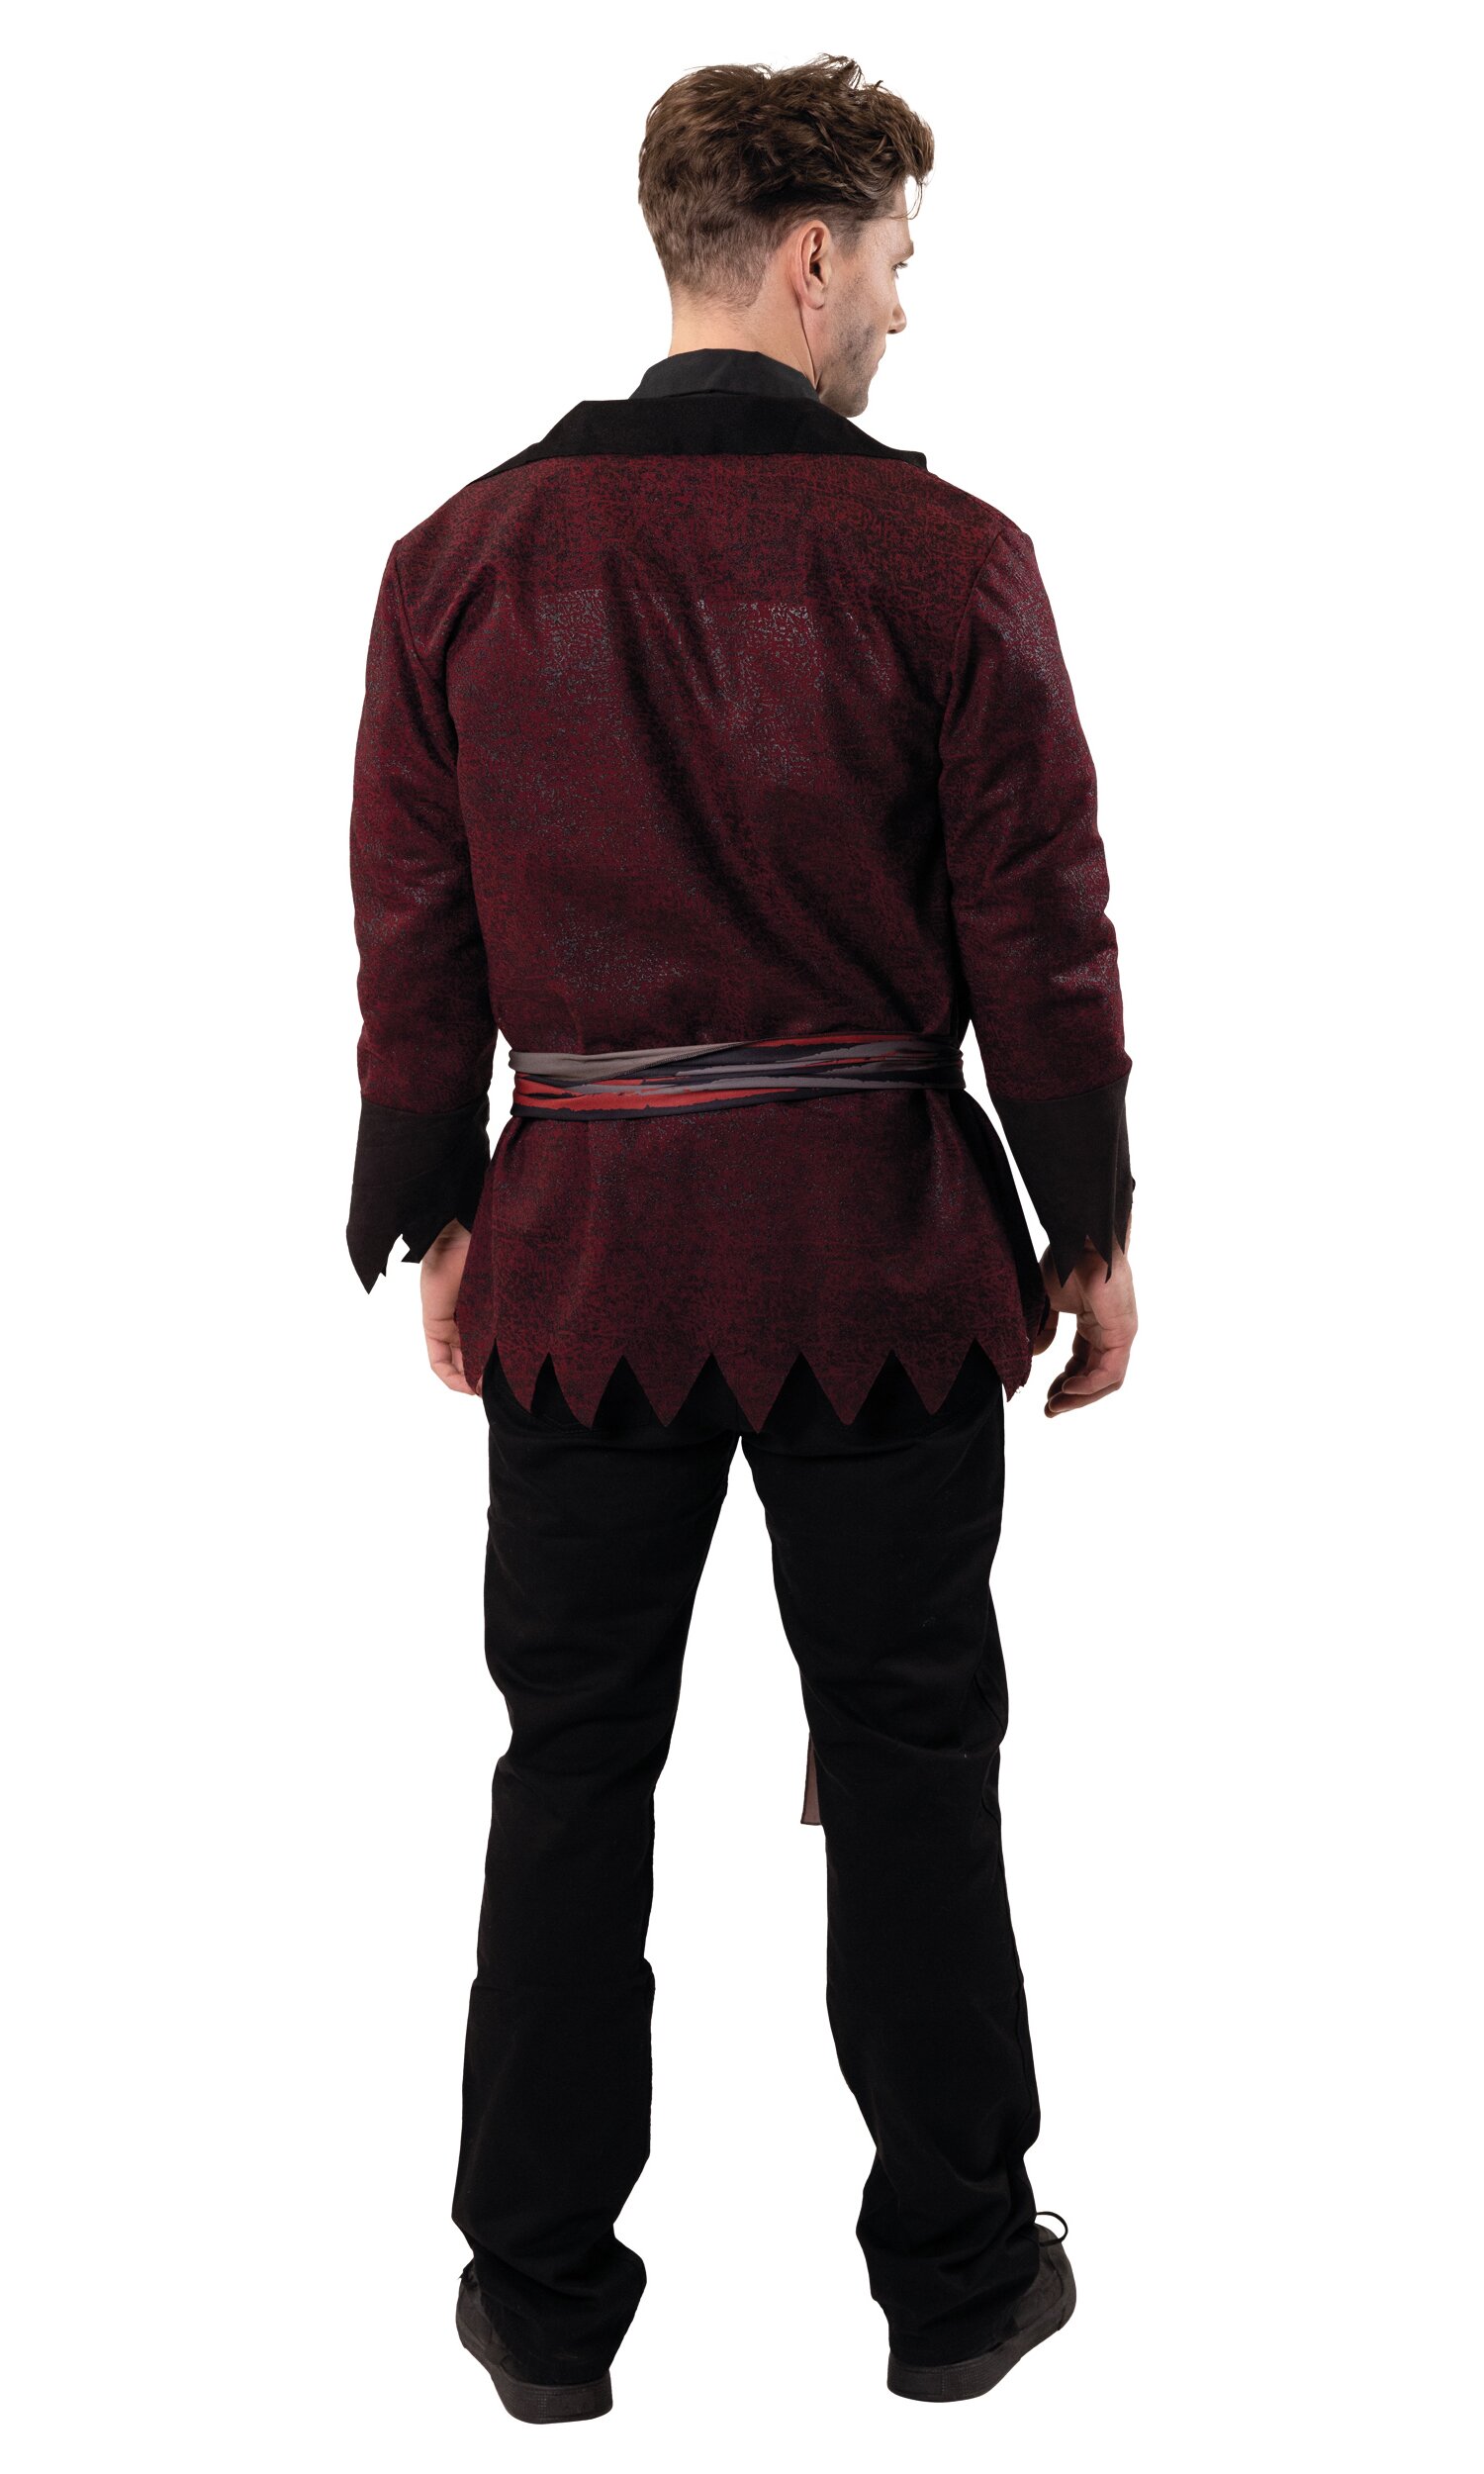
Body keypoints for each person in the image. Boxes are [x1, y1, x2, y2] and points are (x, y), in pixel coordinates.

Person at [346, 51, 1138, 2425]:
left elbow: (416, 931)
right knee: (912, 1753)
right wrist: (1088, 1215)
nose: (903, 304)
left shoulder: (460, 561)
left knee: (570, 1763)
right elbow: (1040, 923)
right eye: (893, 260)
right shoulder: (948, 559)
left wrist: (436, 1205)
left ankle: (538, 2300)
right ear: (806, 257)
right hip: (875, 1260)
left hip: (586, 1257)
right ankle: (960, 2278)